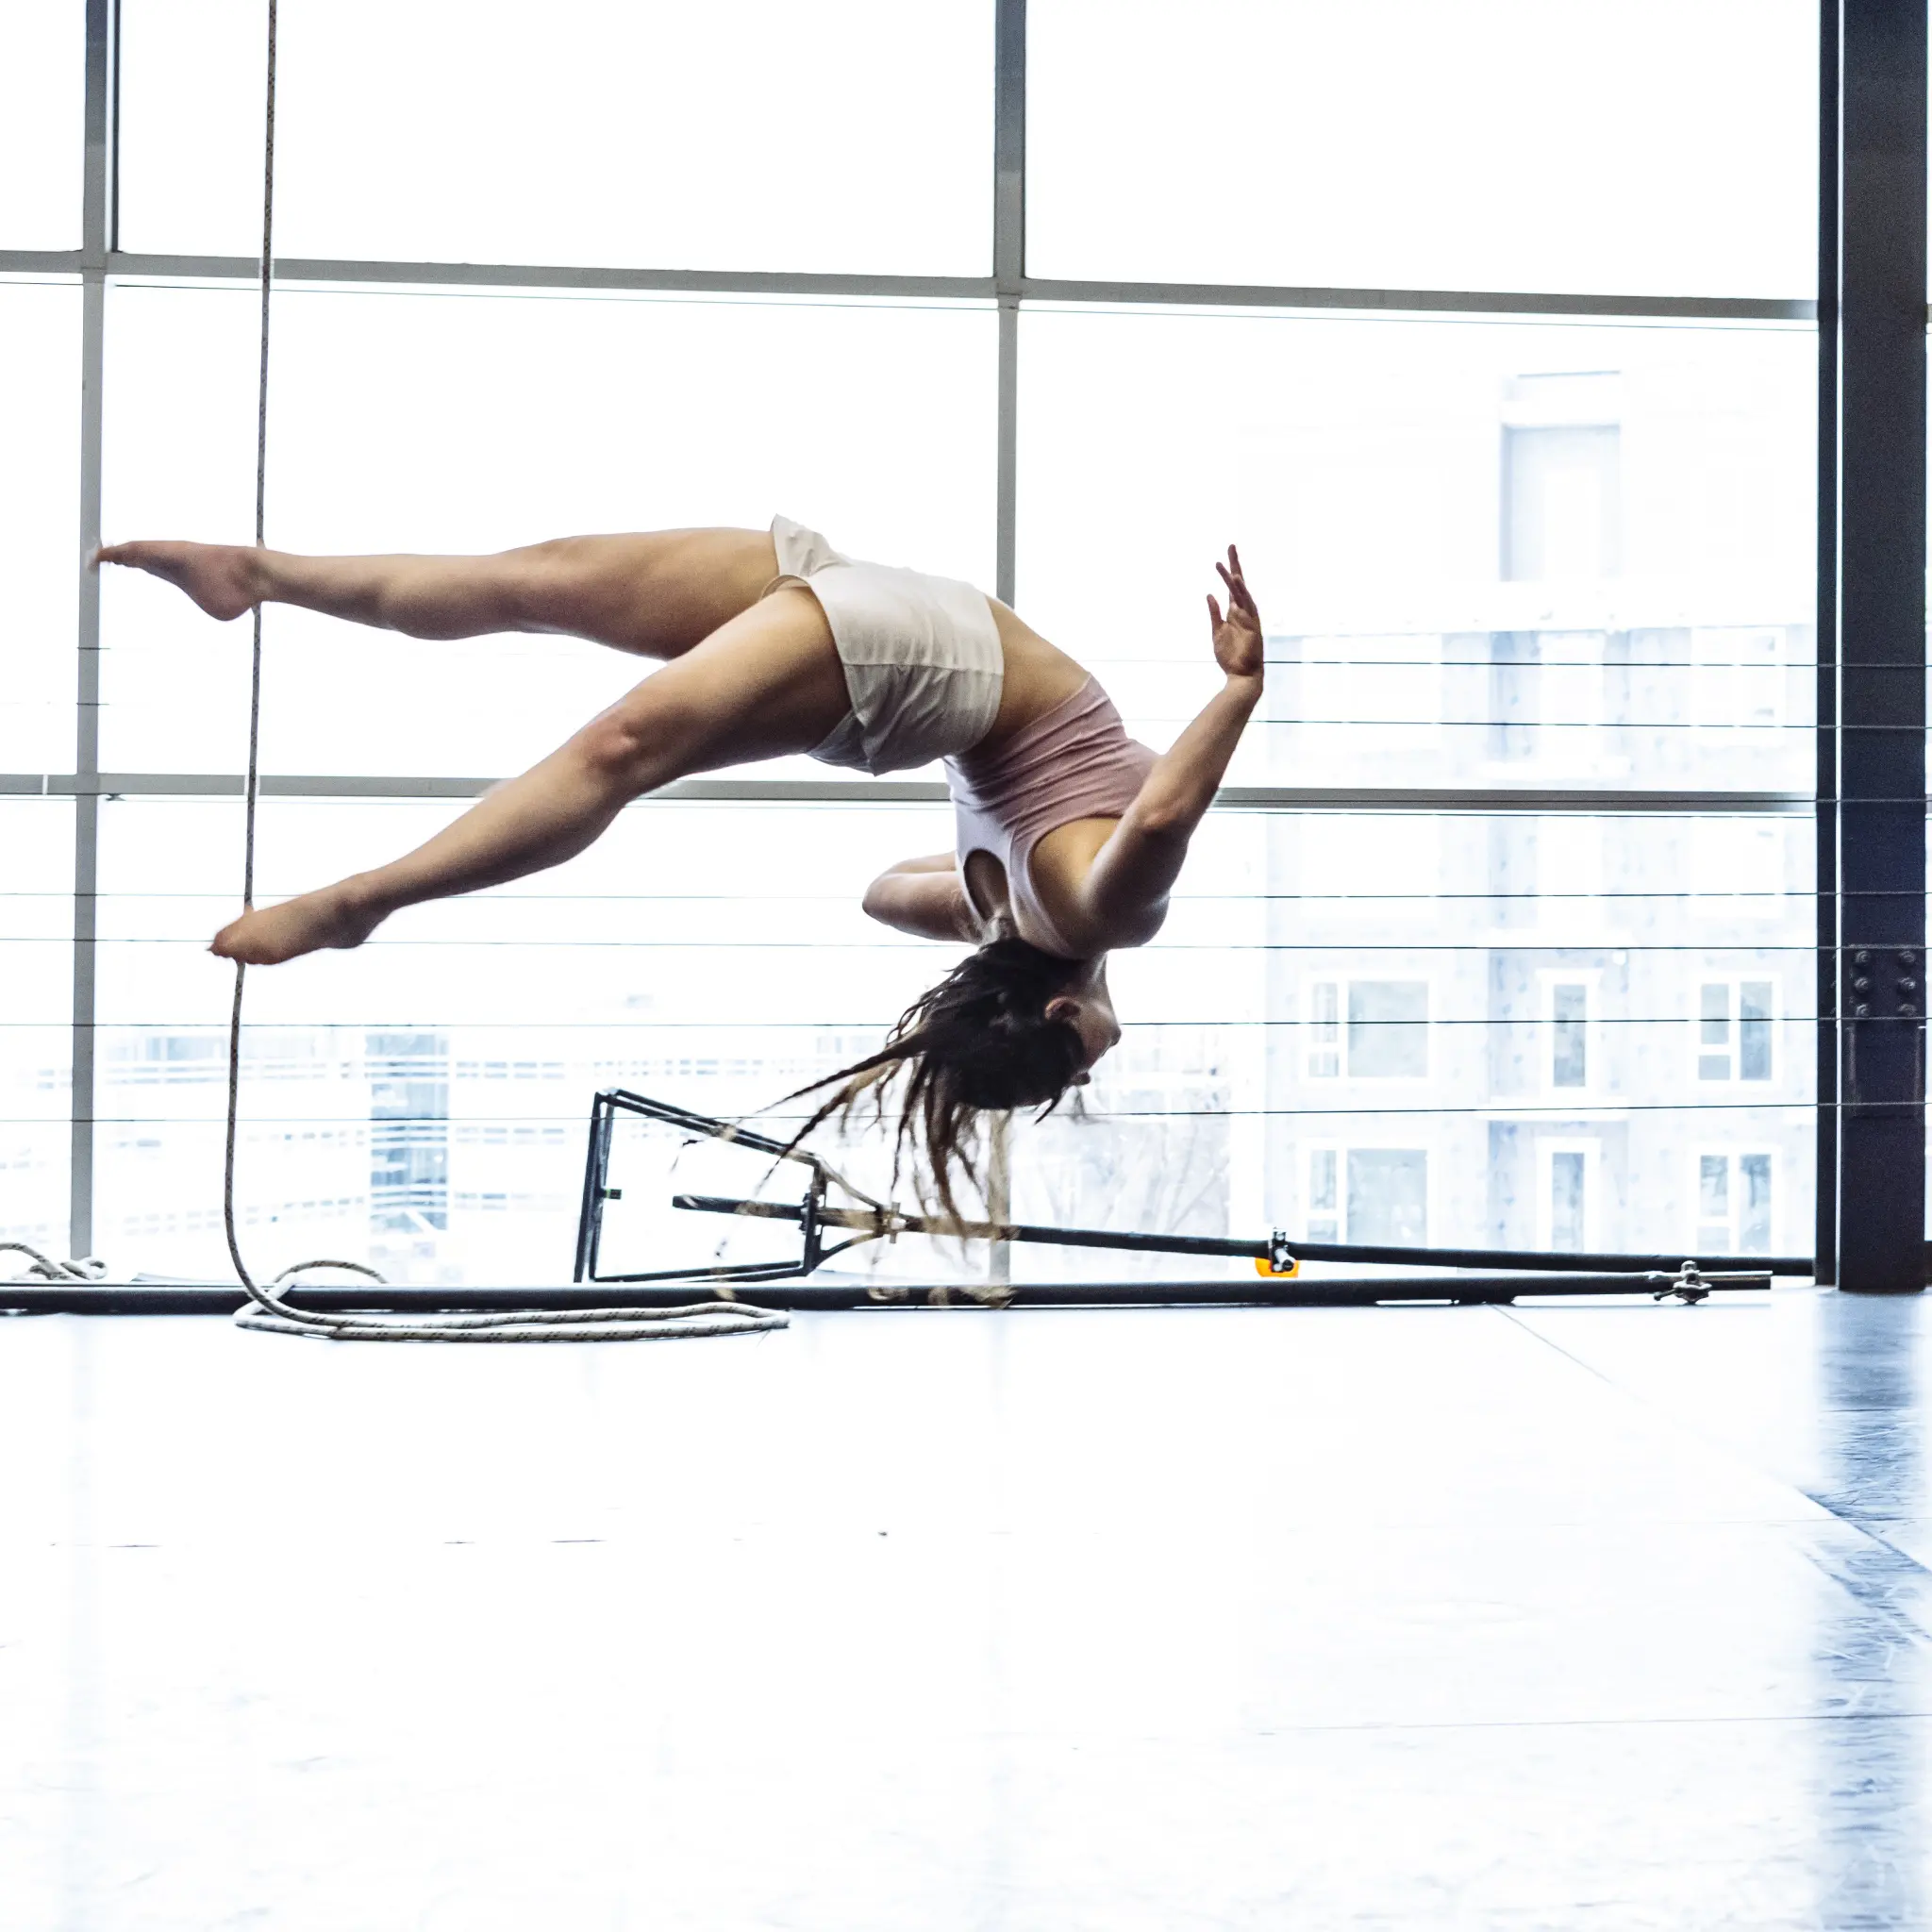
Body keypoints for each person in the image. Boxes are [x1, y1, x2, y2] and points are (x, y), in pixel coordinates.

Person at [93, 516, 1264, 1212]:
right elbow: (883, 894)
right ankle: (255, 574)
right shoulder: (1015, 908)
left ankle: (363, 900)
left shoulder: (1093, 916)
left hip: (912, 655)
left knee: (622, 745)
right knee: (537, 582)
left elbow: (1159, 823)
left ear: (1064, 1008)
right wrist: (993, 943)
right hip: (879, 616)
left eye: (1082, 1062)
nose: (1101, 1062)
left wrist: (1238, 690)